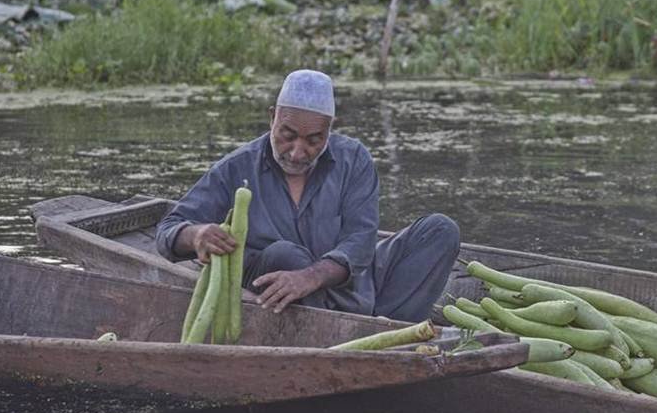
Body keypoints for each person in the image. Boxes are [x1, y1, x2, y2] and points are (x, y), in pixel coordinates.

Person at [156, 69, 460, 322]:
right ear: (272, 118)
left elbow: (360, 241)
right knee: (285, 255)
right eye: (287, 136)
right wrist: (195, 235)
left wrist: (312, 277)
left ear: (330, 130)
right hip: (280, 295)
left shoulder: (354, 159)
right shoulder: (237, 167)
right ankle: (338, 331)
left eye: (314, 140)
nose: (298, 152)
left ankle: (386, 329)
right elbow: (169, 229)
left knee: (439, 230)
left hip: (354, 289)